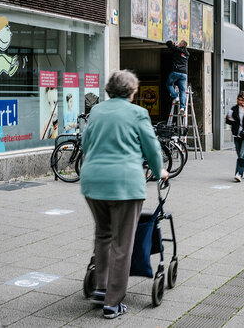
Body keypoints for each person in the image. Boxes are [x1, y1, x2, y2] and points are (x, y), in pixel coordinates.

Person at [79, 70, 168, 319]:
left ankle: (100, 287)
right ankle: (113, 302)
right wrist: (160, 170)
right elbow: (152, 147)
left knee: (103, 234)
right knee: (123, 243)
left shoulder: (97, 111)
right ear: (132, 91)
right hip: (125, 184)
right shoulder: (137, 113)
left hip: (93, 182)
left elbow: (86, 144)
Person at [165, 40, 189, 112]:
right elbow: (179, 51)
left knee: (169, 84)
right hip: (184, 74)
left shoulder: (177, 50)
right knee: (183, 91)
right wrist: (176, 46)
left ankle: (175, 96)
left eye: (179, 43)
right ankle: (182, 107)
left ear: (181, 44)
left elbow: (168, 44)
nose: (178, 44)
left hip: (176, 71)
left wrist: (172, 43)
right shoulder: (187, 53)